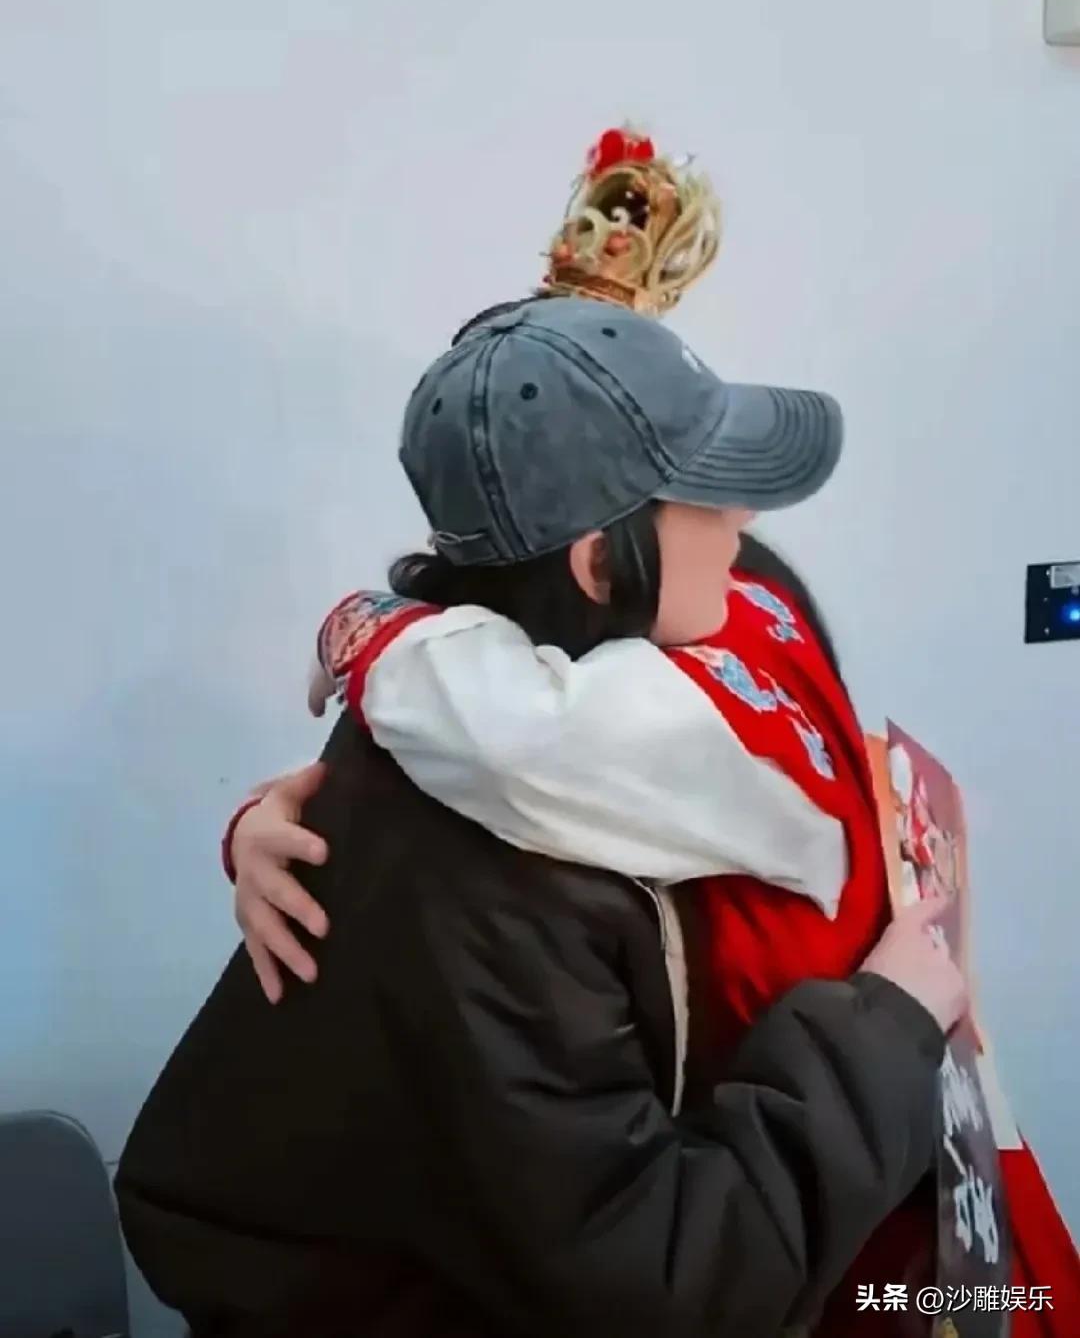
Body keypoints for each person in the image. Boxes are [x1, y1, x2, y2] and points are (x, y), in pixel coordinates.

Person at [116, 295, 963, 1338]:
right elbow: (661, 1281)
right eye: (707, 491)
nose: (746, 522)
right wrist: (882, 1034)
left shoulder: (686, 634)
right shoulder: (487, 873)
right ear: (600, 563)